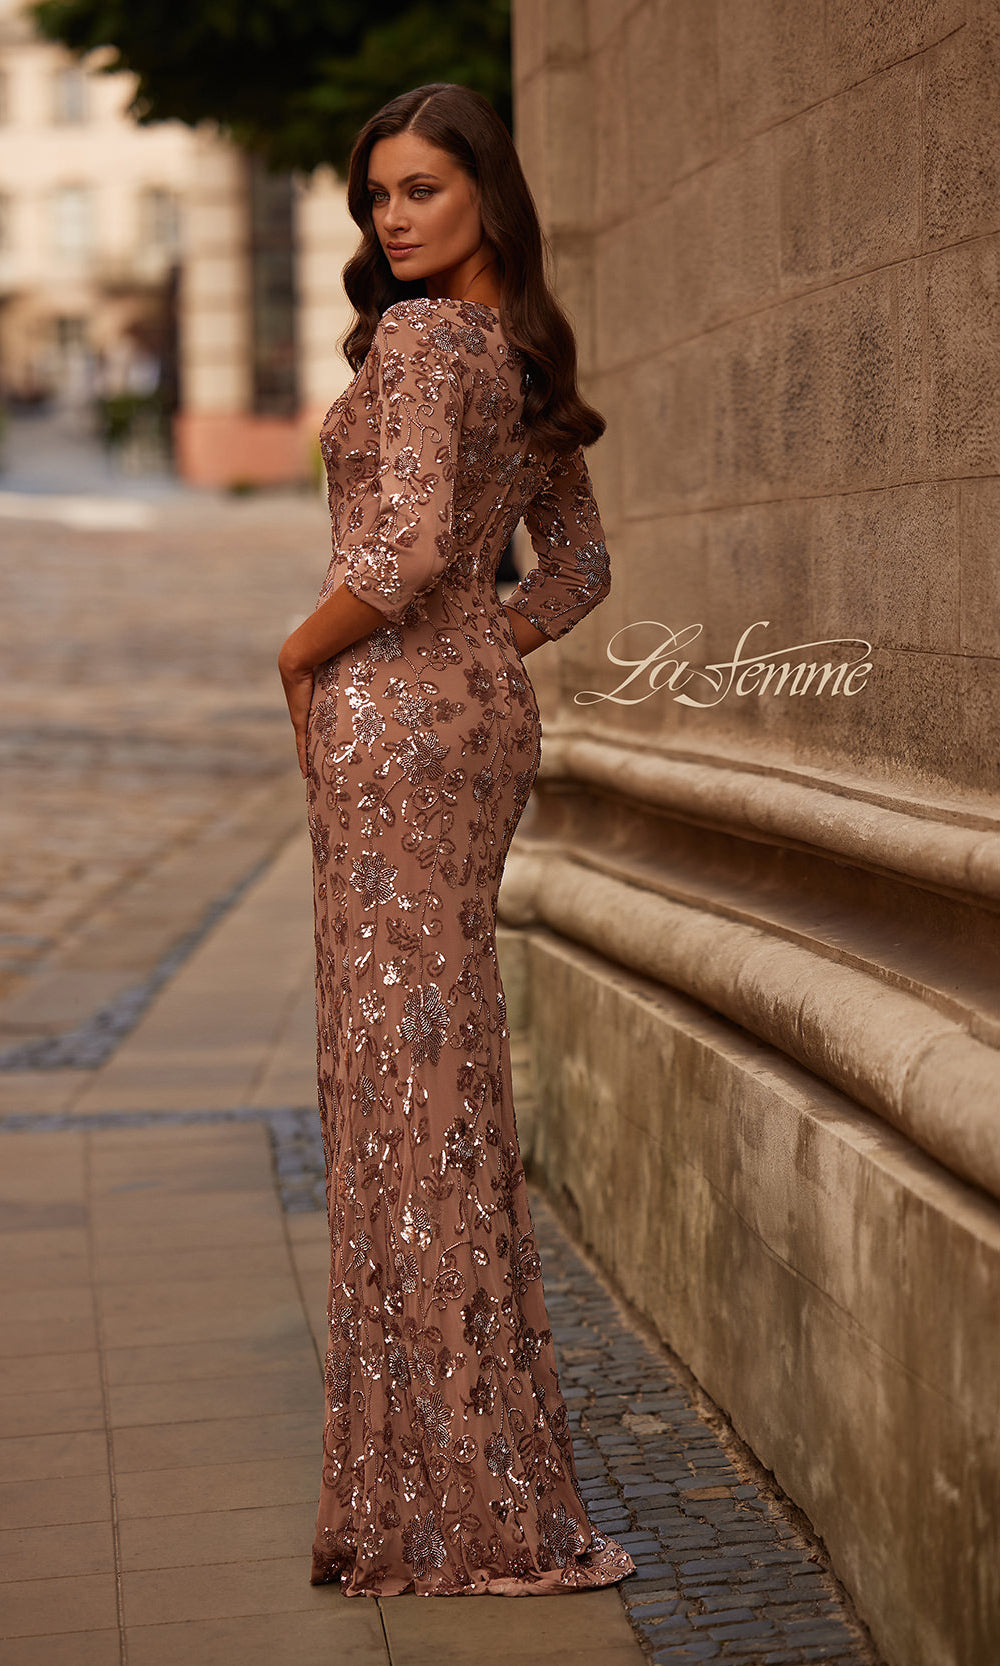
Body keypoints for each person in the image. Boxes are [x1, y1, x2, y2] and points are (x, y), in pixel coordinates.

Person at [278, 81, 634, 1600]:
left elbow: (407, 540)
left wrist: (303, 653)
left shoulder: (423, 342)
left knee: (397, 1083)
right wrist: (491, 646)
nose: (392, 219)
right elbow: (582, 565)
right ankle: (477, 1464)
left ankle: (449, 1499)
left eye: (421, 188)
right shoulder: (521, 354)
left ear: (486, 188)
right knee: (444, 1067)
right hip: (478, 726)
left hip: (391, 730)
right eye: (376, 198)